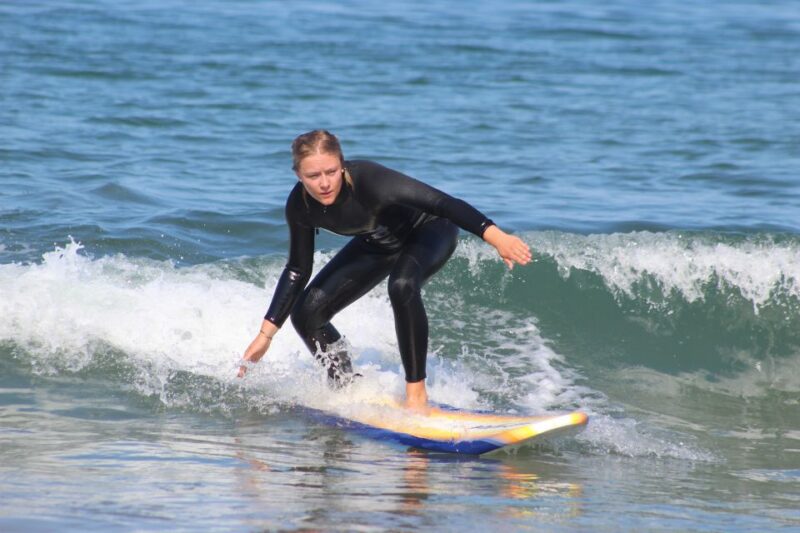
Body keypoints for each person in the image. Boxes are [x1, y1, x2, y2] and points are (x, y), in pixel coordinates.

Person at [239, 130, 531, 410]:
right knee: (306, 313)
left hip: (429, 230)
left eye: (331, 172)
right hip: (378, 243)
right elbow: (297, 269)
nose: (324, 183)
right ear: (298, 176)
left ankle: (416, 395)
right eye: (313, 176)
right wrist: (265, 335)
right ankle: (344, 386)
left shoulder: (370, 180)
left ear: (342, 166)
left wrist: (495, 236)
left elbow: (443, 203)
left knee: (402, 284)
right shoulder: (300, 207)